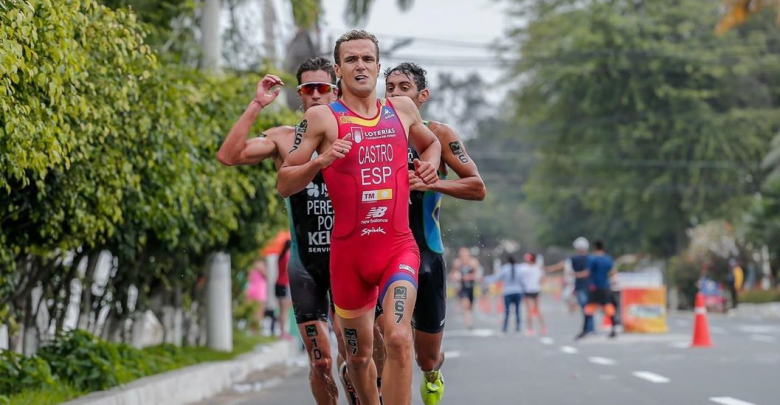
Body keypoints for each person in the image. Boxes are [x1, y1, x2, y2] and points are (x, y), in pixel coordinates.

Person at [277, 30, 442, 405]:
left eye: (367, 59)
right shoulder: (322, 118)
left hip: (398, 249)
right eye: (351, 60)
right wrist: (320, 161)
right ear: (338, 69)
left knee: (399, 337)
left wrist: (428, 168)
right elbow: (285, 182)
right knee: (359, 356)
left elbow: (430, 143)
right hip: (349, 259)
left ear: (379, 67)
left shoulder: (401, 110)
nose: (360, 66)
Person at [217, 57, 350, 404]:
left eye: (324, 88)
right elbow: (229, 156)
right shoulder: (283, 139)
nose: (317, 95)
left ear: (336, 91)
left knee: (353, 355)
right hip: (305, 264)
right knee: (320, 361)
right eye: (309, 89)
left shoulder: (355, 134)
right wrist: (258, 103)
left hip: (349, 261)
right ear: (300, 95)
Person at [384, 62, 486, 405]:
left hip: (426, 253)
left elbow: (477, 187)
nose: (396, 94)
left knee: (425, 357)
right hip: (381, 255)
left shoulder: (439, 134)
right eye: (391, 88)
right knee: (386, 344)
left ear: (422, 96)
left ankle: (432, 374)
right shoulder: (372, 130)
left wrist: (434, 181)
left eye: (404, 88)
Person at [546, 237, 593, 335]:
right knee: (589, 307)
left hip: (579, 285)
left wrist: (550, 268)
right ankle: (590, 327)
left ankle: (588, 327)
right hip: (589, 285)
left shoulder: (574, 259)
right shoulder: (591, 258)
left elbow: (562, 265)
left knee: (585, 307)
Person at [577, 239, 617, 339]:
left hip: (594, 288)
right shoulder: (608, 259)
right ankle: (613, 329)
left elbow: (587, 273)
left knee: (589, 309)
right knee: (608, 307)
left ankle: (585, 330)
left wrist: (576, 274)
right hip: (605, 287)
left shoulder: (592, 259)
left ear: (595, 248)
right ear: (603, 248)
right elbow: (612, 272)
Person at [484, 255, 524, 333]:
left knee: (507, 311)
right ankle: (518, 326)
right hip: (518, 291)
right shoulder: (520, 269)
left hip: (508, 292)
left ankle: (505, 326)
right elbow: (523, 281)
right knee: (517, 310)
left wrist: (485, 279)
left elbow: (496, 278)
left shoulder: (505, 269)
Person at [451, 247, 481, 330]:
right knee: (466, 305)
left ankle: (468, 317)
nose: (463, 255)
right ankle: (468, 323)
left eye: (465, 253)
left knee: (470, 306)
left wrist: (468, 277)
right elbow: (453, 274)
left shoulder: (473, 262)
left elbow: (477, 275)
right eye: (462, 254)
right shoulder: (457, 263)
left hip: (471, 287)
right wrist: (456, 277)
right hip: (462, 287)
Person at [518, 253, 546, 335]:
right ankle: (541, 327)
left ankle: (533, 328)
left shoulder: (524, 268)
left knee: (531, 310)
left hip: (529, 290)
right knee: (534, 310)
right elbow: (542, 279)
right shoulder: (537, 268)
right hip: (534, 290)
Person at [275, 239, 293, 340]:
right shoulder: (287, 256)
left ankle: (281, 331)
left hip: (278, 284)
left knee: (283, 310)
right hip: (284, 284)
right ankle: (283, 332)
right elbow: (288, 270)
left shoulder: (280, 256)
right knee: (284, 311)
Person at [246, 259, 269, 334]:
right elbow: (248, 278)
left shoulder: (262, 266)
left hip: (260, 291)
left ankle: (258, 330)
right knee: (252, 312)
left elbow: (267, 276)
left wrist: (260, 268)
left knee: (259, 312)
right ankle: (252, 330)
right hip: (252, 290)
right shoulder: (250, 267)